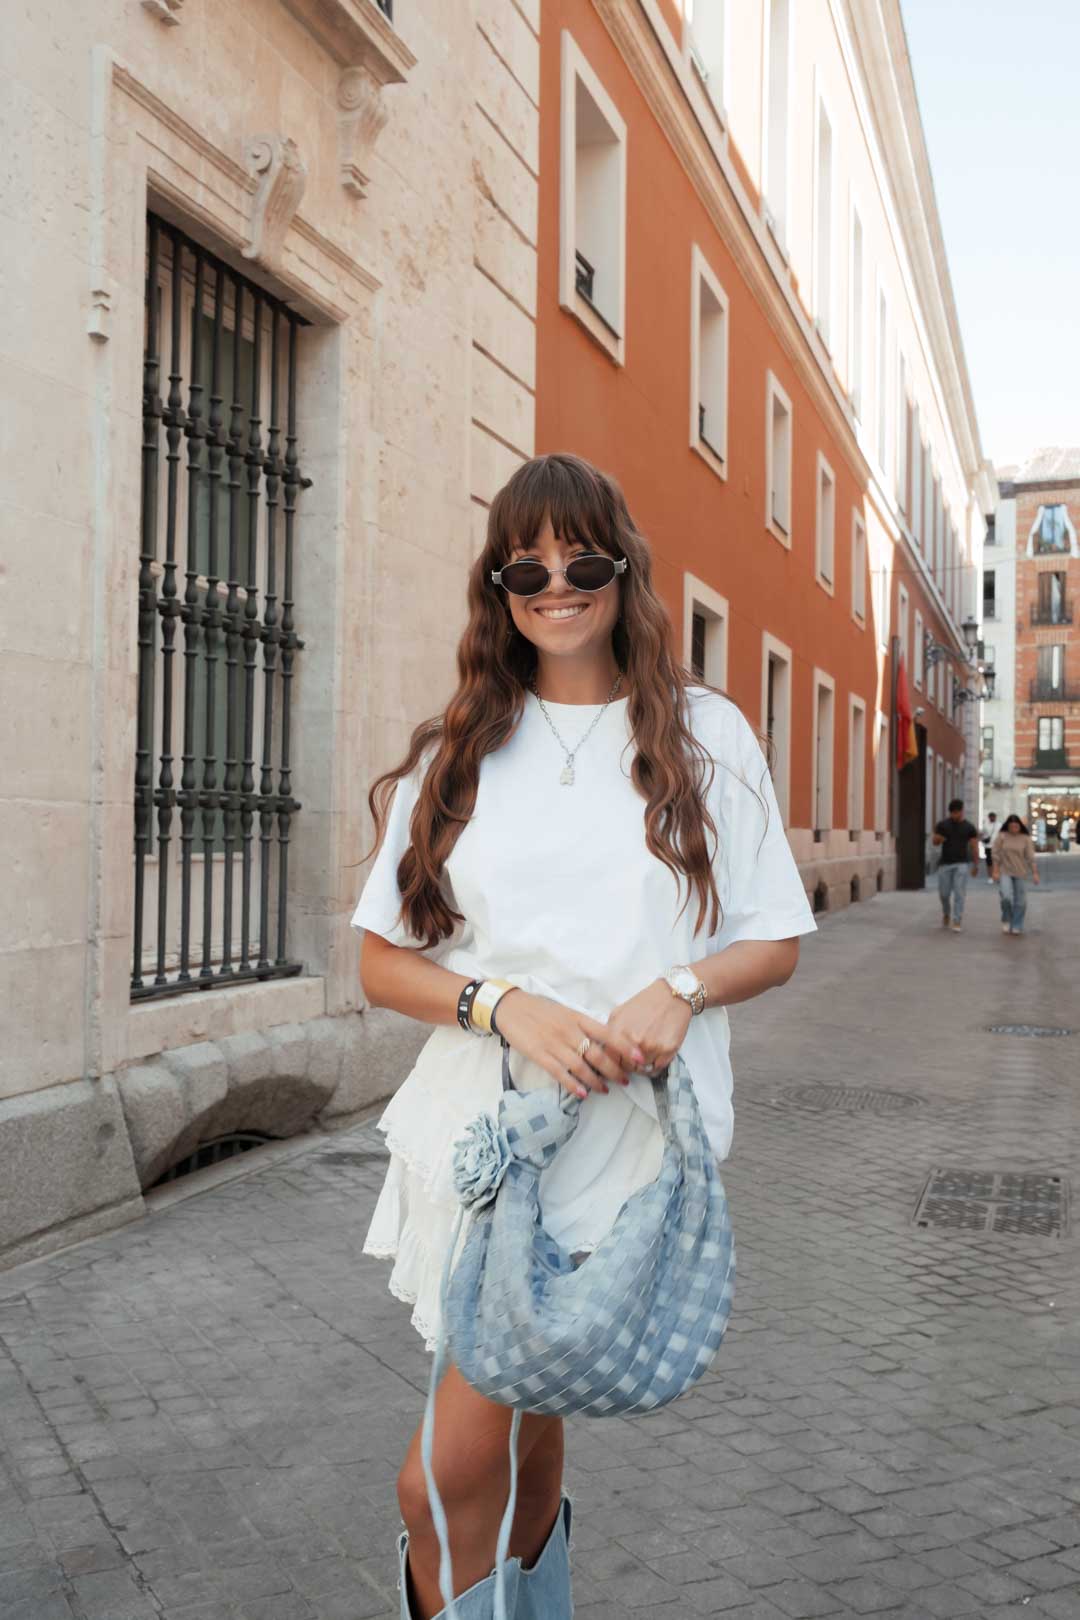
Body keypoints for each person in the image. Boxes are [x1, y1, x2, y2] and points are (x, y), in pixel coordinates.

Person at [351, 453, 816, 1620]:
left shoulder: (705, 733)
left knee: (492, 1453)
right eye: (526, 565)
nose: (555, 585)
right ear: (497, 583)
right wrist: (500, 1003)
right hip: (485, 1138)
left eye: (583, 560)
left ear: (624, 568)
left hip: (621, 1148)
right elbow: (379, 961)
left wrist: (683, 989)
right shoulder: (463, 742)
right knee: (453, 1476)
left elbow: (773, 938)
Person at [932, 798, 980, 932]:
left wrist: (976, 865)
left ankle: (957, 920)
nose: (955, 815)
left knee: (959, 893)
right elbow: (934, 841)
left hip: (961, 864)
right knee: (944, 894)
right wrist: (938, 839)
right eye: (953, 813)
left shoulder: (969, 827)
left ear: (962, 811)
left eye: (957, 812)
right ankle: (946, 913)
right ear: (950, 813)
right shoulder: (943, 825)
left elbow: (974, 847)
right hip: (945, 864)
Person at [992, 814, 1040, 935]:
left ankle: (1017, 924)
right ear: (1007, 826)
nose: (1014, 829)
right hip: (1005, 871)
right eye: (1011, 826)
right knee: (1006, 897)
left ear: (1020, 826)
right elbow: (995, 855)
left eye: (1016, 826)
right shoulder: (1002, 837)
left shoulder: (1025, 838)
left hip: (1021, 872)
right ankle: (1006, 919)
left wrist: (1035, 873)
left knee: (1021, 901)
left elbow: (1030, 857)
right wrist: (995, 870)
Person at [980, 811, 998, 881]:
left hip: (997, 846)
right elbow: (981, 834)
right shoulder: (985, 825)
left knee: (996, 861)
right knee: (989, 862)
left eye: (994, 817)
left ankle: (996, 875)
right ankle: (990, 876)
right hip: (988, 846)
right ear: (989, 817)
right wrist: (982, 840)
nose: (993, 818)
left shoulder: (999, 825)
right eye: (991, 817)